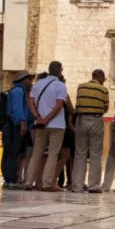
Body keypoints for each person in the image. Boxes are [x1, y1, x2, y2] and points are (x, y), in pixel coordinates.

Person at [24, 61, 68, 192]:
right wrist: (48, 119)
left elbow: (30, 102)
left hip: (40, 124)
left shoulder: (37, 84)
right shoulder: (60, 85)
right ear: (60, 71)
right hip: (57, 124)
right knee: (53, 154)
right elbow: (59, 104)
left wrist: (38, 117)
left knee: (36, 153)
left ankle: (28, 182)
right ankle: (47, 183)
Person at [72, 69, 109, 193]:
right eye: (104, 78)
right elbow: (105, 108)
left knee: (80, 153)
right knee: (95, 153)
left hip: (81, 120)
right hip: (96, 120)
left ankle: (77, 185)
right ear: (100, 77)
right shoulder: (103, 90)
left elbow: (78, 105)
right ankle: (93, 185)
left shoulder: (80, 87)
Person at [2, 73, 33, 189]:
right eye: (30, 79)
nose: (31, 82)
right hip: (14, 125)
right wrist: (23, 124)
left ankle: (7, 179)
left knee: (8, 153)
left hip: (11, 125)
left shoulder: (14, 91)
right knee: (13, 153)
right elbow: (17, 109)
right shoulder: (18, 92)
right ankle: (12, 179)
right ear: (24, 80)